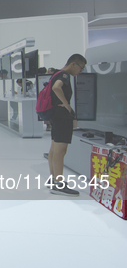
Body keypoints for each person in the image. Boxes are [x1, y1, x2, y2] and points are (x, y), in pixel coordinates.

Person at [48, 54, 87, 196]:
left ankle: (53, 180)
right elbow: (56, 88)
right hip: (62, 115)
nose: (80, 72)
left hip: (55, 115)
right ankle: (58, 184)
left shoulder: (56, 73)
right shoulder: (64, 75)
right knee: (60, 150)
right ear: (74, 64)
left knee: (54, 148)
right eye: (81, 68)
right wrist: (67, 105)